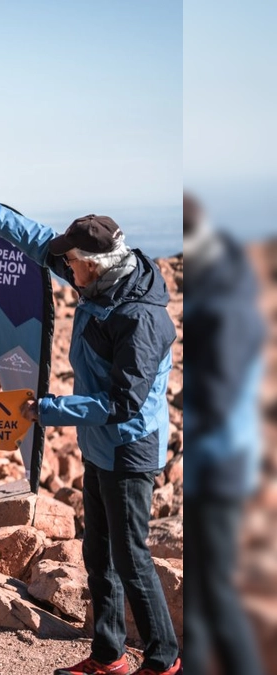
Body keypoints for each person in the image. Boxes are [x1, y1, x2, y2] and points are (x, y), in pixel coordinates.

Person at [0, 180, 180, 675]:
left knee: (131, 557)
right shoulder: (99, 277)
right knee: (98, 552)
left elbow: (123, 402)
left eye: (74, 264)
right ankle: (109, 656)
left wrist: (53, 409)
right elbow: (46, 245)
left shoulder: (138, 317)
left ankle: (164, 661)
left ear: (95, 265)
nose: (67, 269)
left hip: (128, 446)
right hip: (99, 444)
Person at [182, 192, 265, 675]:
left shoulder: (224, 303)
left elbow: (218, 396)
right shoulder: (223, 282)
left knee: (214, 595)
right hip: (217, 462)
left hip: (218, 467)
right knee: (202, 597)